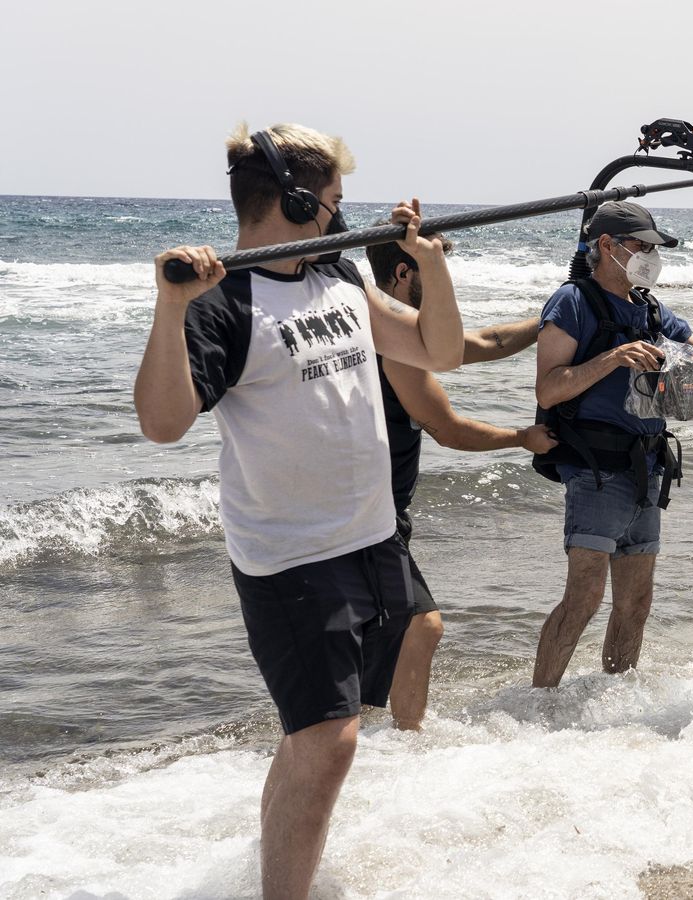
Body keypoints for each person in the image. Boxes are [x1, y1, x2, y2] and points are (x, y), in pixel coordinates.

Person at [133, 122, 462, 900]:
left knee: (318, 740)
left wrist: (431, 270)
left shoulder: (342, 279)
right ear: (296, 199)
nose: (345, 217)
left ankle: (272, 873)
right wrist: (171, 309)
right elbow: (162, 422)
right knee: (331, 740)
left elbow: (438, 351)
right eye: (336, 202)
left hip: (371, 539)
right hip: (289, 560)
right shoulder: (226, 304)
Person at [530, 201, 693, 688]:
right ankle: (540, 701)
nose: (650, 256)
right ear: (607, 246)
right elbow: (548, 388)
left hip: (646, 468)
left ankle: (615, 696)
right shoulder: (572, 302)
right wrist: (613, 357)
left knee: (636, 604)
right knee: (584, 598)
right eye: (640, 246)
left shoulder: (652, 308)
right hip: (594, 470)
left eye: (652, 248)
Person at [365, 232, 558, 730]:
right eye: (437, 272)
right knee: (421, 626)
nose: (447, 286)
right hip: (368, 513)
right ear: (405, 275)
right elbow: (447, 430)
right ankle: (405, 741)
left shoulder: (380, 323)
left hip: (371, 509)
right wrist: (521, 437)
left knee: (378, 633)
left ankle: (363, 736)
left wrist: (549, 319)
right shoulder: (394, 344)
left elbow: (484, 343)